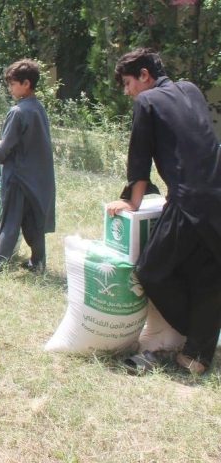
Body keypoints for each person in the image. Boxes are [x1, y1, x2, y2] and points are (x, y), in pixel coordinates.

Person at [105, 49, 221, 375]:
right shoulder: (192, 89)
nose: (127, 92)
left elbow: (139, 157)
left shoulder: (148, 102)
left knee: (151, 270)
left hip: (189, 201)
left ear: (144, 75)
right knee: (207, 277)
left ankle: (195, 334)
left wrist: (132, 202)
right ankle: (197, 357)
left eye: (128, 83)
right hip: (216, 196)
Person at [0, 60, 55, 275]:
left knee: (10, 221)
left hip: (18, 176)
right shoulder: (38, 108)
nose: (10, 89)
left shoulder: (18, 112)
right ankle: (38, 262)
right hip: (38, 177)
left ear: (26, 83)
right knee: (34, 223)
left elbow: (6, 145)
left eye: (12, 84)